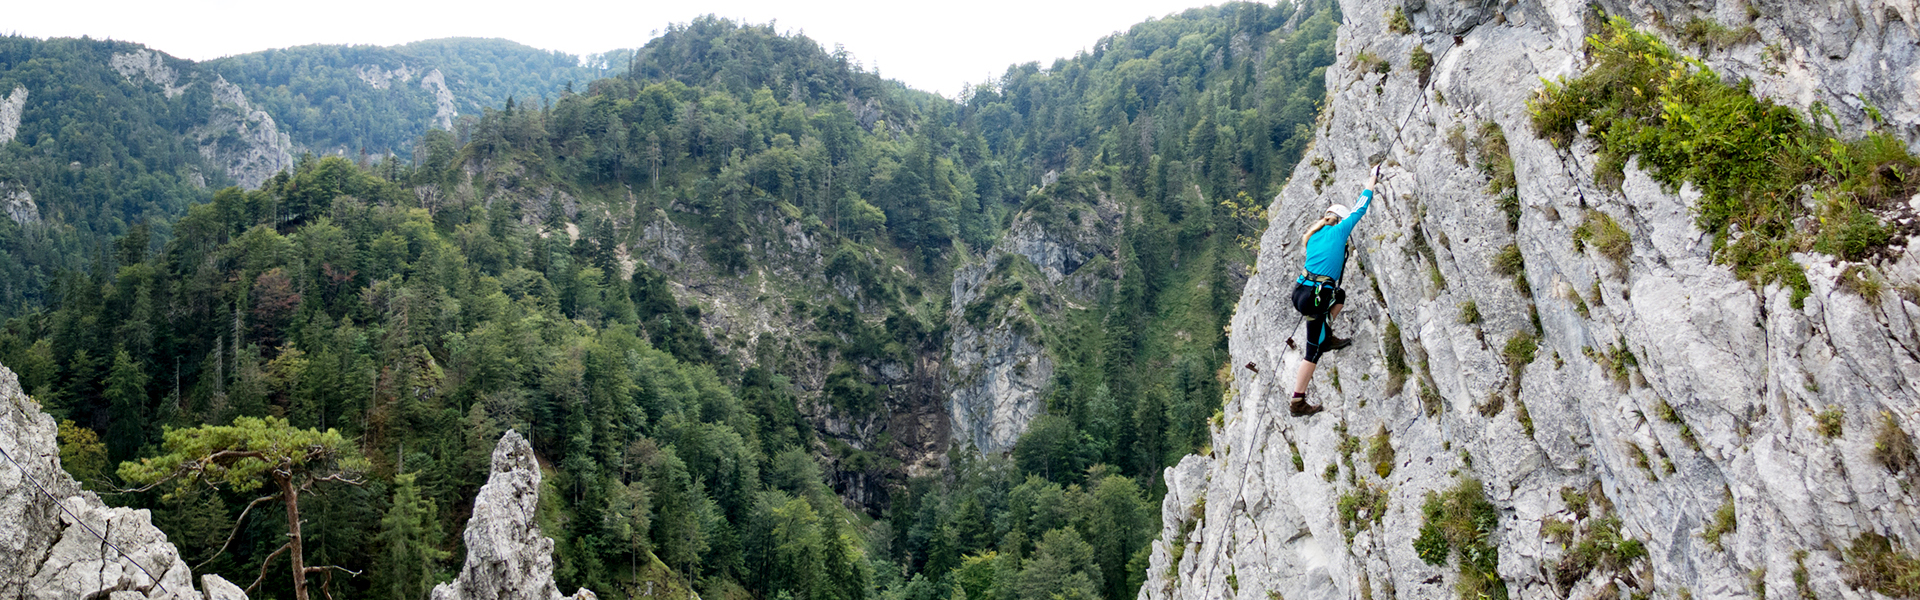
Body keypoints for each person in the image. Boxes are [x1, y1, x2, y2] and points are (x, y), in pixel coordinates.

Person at [1286, 165, 1377, 416]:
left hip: (1302, 291)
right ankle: (1298, 402)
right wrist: (1372, 179)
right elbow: (1361, 206)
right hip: (1316, 297)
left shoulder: (1314, 235)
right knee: (1311, 353)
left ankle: (1326, 337)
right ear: (1339, 219)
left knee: (1340, 296)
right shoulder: (1339, 231)